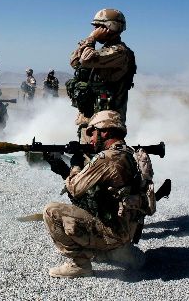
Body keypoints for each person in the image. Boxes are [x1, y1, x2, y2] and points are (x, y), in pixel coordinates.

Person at [42, 110, 152, 278]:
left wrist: (74, 164)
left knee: (51, 211)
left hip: (113, 232)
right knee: (89, 200)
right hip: (128, 229)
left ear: (105, 131)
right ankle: (118, 252)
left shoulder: (107, 158)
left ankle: (80, 265)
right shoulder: (131, 154)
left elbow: (74, 189)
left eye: (92, 133)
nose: (91, 139)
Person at [68, 8, 136, 141]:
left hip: (106, 127)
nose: (94, 29)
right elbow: (75, 62)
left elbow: (86, 60)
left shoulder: (120, 52)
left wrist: (92, 38)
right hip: (91, 121)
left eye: (99, 26)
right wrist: (89, 40)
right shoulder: (102, 50)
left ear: (111, 27)